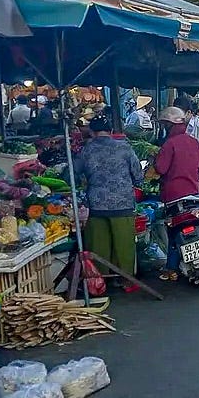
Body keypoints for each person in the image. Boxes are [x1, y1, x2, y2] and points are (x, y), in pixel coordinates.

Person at [74, 117, 143, 279]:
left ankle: (100, 281)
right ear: (111, 131)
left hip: (97, 205)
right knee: (124, 245)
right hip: (123, 204)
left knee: (99, 247)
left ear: (91, 132)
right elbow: (138, 175)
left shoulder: (86, 150)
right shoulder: (125, 148)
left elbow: (76, 174)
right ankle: (126, 280)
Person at [153, 107, 199, 279]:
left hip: (173, 196)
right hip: (194, 193)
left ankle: (171, 267)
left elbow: (161, 168)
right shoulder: (192, 141)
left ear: (169, 125)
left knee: (173, 231)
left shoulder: (169, 144)